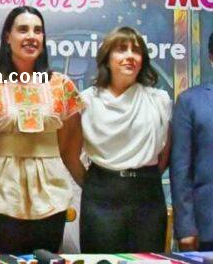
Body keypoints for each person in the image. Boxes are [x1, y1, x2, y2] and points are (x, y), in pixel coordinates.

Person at [0, 6, 83, 254]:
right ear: (7, 36)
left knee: (46, 260)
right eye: (23, 29)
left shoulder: (62, 86)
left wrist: (94, 192)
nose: (31, 36)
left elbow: (69, 149)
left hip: (50, 196)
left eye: (38, 30)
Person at [60, 26, 171, 253]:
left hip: (148, 198)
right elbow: (70, 155)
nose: (130, 56)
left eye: (136, 51)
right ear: (107, 58)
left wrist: (140, 177)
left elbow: (164, 153)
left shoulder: (159, 100)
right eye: (121, 49)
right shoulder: (86, 101)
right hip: (100, 199)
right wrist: (97, 185)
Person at [171, 31, 213, 252]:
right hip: (208, 226)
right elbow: (180, 170)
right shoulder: (190, 101)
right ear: (211, 58)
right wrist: (185, 227)